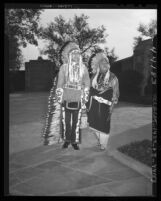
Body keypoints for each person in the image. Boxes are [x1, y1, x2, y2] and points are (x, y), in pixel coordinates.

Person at [55, 41, 90, 150]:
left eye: (78, 53)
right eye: (73, 53)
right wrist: (59, 96)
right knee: (66, 121)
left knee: (76, 122)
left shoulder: (83, 68)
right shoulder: (64, 68)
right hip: (66, 98)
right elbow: (60, 83)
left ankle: (74, 141)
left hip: (78, 98)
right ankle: (66, 140)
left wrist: (85, 96)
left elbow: (87, 82)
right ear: (68, 55)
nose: (76, 55)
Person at [86, 52, 119, 150]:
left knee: (104, 125)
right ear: (98, 65)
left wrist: (112, 105)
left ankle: (103, 145)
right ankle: (101, 142)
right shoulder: (94, 77)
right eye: (103, 63)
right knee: (94, 124)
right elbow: (89, 89)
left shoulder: (113, 77)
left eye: (107, 63)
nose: (106, 65)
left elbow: (115, 93)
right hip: (93, 106)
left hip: (106, 106)